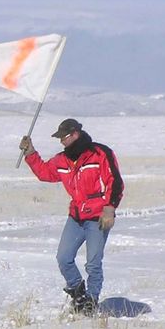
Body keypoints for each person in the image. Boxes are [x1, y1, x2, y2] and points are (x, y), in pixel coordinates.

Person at [19, 118, 124, 315]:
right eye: (59, 138)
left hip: (98, 217)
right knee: (64, 258)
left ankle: (91, 302)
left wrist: (110, 208)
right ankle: (79, 294)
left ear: (75, 134)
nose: (61, 142)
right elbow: (45, 173)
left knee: (93, 263)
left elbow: (115, 181)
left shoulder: (100, 154)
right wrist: (30, 152)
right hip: (76, 217)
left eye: (64, 137)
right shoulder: (62, 160)